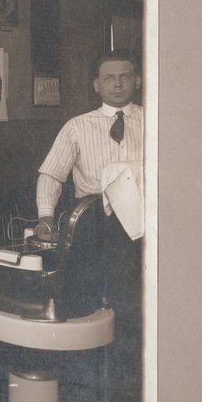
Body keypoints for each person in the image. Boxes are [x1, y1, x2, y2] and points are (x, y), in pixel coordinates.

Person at [35, 52, 144, 326]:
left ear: (138, 81)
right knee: (89, 305)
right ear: (97, 85)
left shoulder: (155, 122)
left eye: (125, 77)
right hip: (93, 224)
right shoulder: (77, 126)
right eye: (109, 78)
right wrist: (46, 216)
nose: (117, 84)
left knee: (134, 303)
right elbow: (51, 174)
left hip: (143, 222)